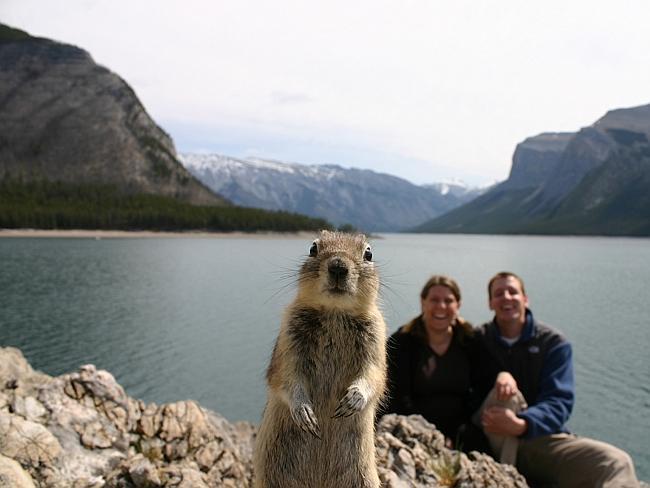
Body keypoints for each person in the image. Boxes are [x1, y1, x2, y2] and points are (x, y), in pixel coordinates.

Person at [472, 271, 640, 488]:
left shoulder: (552, 343)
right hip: (490, 434)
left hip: (538, 440)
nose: (506, 297)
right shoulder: (477, 339)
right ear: (490, 303)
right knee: (505, 396)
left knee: (615, 462)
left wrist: (523, 424)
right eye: (499, 293)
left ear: (525, 299)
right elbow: (439, 334)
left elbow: (559, 401)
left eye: (513, 292)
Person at [383, 275, 486, 451]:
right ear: (423, 303)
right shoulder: (402, 342)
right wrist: (428, 435)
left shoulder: (471, 340)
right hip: (412, 428)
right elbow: (395, 397)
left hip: (462, 429)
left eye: (448, 300)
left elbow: (482, 387)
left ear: (458, 305)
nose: (441, 306)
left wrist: (455, 434)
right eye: (434, 300)